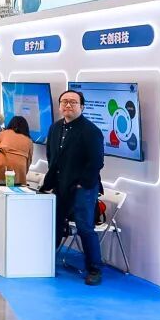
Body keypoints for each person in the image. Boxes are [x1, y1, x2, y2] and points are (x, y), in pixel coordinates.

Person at [39, 89, 105, 286]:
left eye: (73, 102)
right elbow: (51, 156)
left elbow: (96, 162)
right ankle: (45, 259)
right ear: (60, 106)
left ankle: (94, 269)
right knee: (55, 223)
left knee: (85, 227)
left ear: (82, 107)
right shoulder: (55, 128)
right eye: (64, 101)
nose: (68, 105)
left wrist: (81, 183)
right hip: (60, 184)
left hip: (83, 187)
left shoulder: (91, 131)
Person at [0, 116, 34, 184]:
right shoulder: (29, 141)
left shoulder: (3, 133)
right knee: (14, 187)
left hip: (0, 161)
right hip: (19, 166)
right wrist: (24, 172)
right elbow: (29, 160)